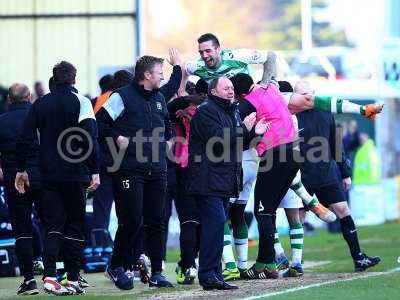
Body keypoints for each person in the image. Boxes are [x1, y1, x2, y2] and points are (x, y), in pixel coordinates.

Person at [16, 61, 100, 295]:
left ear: (55, 78)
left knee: (53, 225)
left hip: (47, 174)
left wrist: (21, 168)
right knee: (75, 224)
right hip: (75, 173)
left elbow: (25, 136)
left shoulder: (40, 104)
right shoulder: (82, 102)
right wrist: (94, 170)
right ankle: (72, 278)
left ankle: (50, 275)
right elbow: (90, 139)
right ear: (74, 79)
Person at [96, 55, 173, 289]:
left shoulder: (160, 98)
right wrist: (117, 138)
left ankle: (157, 272)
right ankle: (117, 265)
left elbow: (167, 125)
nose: (163, 76)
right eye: (160, 72)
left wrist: (167, 142)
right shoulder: (122, 96)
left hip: (157, 169)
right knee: (131, 220)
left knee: (157, 221)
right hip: (129, 169)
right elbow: (99, 123)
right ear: (147, 75)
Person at [187, 76, 269, 290]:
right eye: (226, 88)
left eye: (232, 88)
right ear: (214, 92)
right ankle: (207, 275)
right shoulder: (206, 111)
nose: (231, 91)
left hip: (223, 180)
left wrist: (254, 133)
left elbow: (237, 143)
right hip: (208, 179)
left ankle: (214, 274)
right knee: (213, 228)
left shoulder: (230, 111)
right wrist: (243, 128)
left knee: (216, 227)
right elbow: (218, 139)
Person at [0, 84, 41, 295]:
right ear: (30, 97)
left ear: (9, 99)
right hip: (41, 177)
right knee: (52, 222)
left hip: (13, 180)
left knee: (22, 230)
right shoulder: (39, 119)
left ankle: (29, 280)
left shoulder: (2, 121)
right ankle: (54, 272)